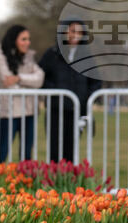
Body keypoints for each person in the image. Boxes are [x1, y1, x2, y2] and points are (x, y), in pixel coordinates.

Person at [39, 19, 101, 163]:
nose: (75, 35)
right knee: (54, 152)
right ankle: (53, 183)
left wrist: (87, 99)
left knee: (71, 152)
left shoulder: (87, 57)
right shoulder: (52, 54)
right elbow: (41, 77)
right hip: (55, 111)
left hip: (77, 112)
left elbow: (96, 81)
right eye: (72, 31)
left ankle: (70, 184)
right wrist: (55, 92)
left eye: (80, 32)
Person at [0, 24, 44, 163]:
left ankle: (25, 180)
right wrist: (29, 85)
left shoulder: (28, 57)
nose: (28, 42)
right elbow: (9, 85)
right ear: (14, 40)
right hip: (10, 111)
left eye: (28, 39)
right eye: (24, 39)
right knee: (3, 150)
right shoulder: (0, 58)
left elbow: (40, 78)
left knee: (27, 152)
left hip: (29, 111)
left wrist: (19, 78)